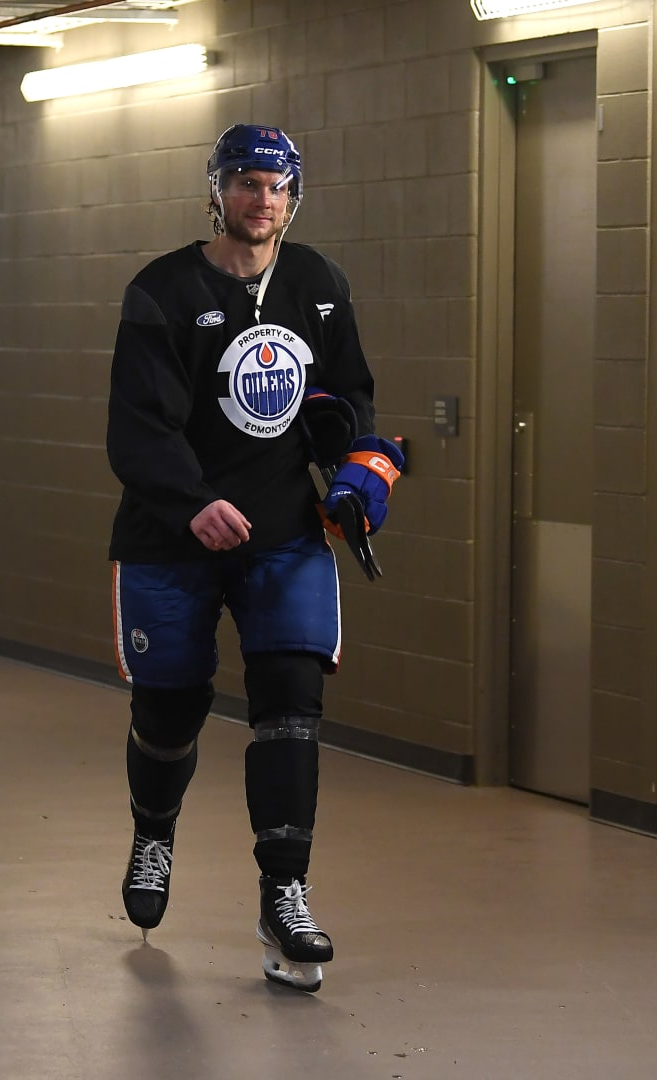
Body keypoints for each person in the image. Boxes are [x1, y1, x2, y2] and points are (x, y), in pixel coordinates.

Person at [104, 124, 405, 994]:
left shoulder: (319, 284)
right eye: (244, 181)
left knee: (291, 701)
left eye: (276, 185)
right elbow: (138, 427)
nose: (261, 198)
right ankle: (154, 829)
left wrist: (358, 468)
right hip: (173, 535)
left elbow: (346, 397)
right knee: (172, 709)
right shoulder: (161, 290)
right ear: (216, 191)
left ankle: (285, 895)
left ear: (293, 197)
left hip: (283, 534)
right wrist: (193, 502)